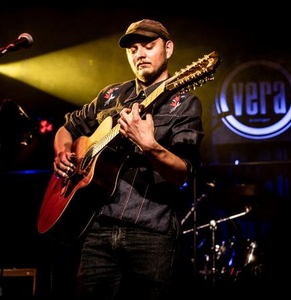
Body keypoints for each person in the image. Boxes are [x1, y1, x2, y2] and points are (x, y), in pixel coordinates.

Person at [50, 19, 205, 299]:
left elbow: (183, 172)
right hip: (97, 230)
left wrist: (149, 145)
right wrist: (63, 152)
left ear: (168, 49)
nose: (139, 54)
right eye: (133, 49)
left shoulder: (184, 104)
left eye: (148, 46)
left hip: (151, 235)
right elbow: (67, 128)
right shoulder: (110, 95)